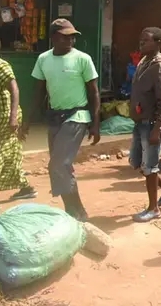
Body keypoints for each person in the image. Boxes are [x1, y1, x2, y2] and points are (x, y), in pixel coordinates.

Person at [32, 19, 100, 221]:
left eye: (72, 36)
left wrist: (96, 124)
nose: (70, 40)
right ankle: (73, 210)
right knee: (60, 167)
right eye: (65, 36)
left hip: (77, 116)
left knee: (59, 164)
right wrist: (27, 121)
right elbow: (38, 92)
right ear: (53, 38)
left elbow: (94, 93)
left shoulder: (82, 59)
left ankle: (77, 211)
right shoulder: (43, 59)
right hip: (54, 117)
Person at [128, 27, 161, 222]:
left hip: (151, 124)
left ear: (157, 43)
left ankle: (153, 208)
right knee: (138, 162)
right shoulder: (144, 62)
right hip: (140, 122)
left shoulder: (160, 66)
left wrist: (157, 128)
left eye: (145, 41)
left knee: (150, 166)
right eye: (140, 41)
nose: (141, 44)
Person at [0, 34, 37, 200]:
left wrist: (13, 117)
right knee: (8, 153)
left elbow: (14, 89)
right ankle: (25, 187)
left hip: (2, 116)